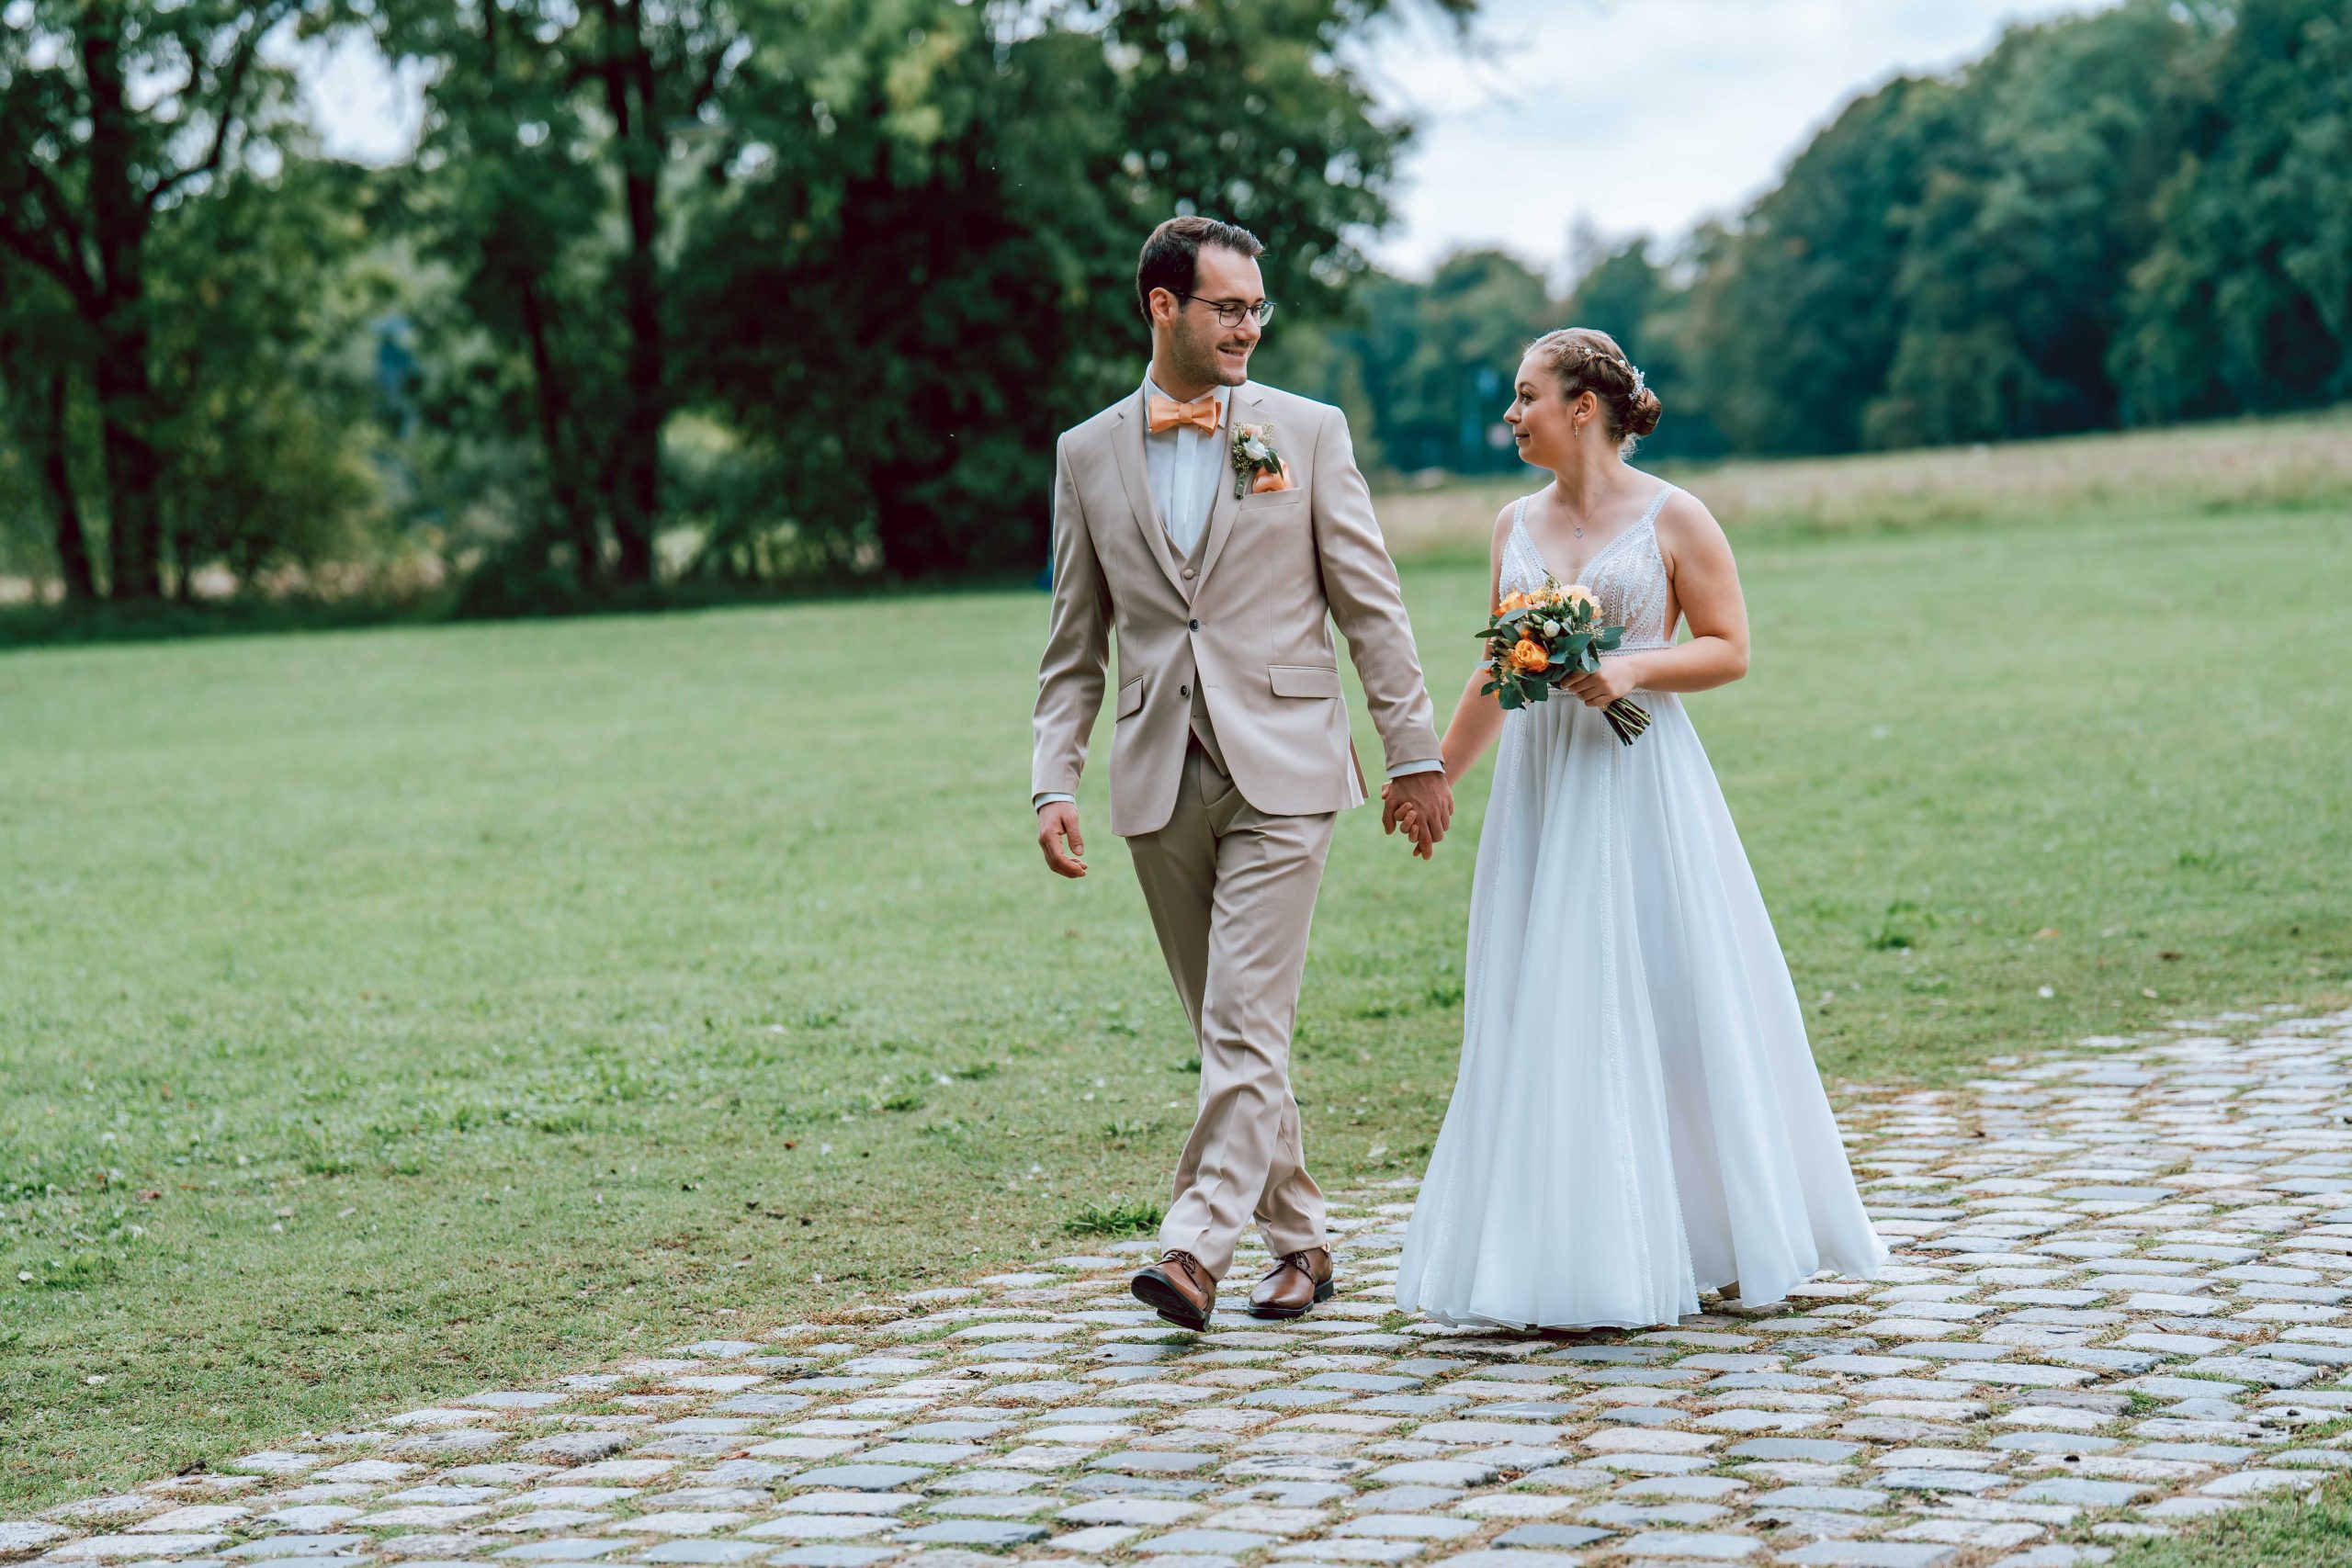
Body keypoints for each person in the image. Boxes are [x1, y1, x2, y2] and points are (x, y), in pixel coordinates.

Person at [1387, 328, 1886, 1329]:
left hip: (1636, 777)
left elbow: (1730, 648)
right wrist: (1434, 774)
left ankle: (1710, 1230)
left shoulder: (1675, 515)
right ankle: (1555, 1247)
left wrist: (1630, 668)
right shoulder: (1510, 523)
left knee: (1665, 987)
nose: (1510, 415)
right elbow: (1500, 665)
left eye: (1524, 397)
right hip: (1541, 785)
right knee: (1546, 993)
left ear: (1582, 406)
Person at [1029, 215, 1452, 1329]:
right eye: (1227, 307)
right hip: (1154, 778)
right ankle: (1303, 1242)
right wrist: (1052, 780)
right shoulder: (1085, 454)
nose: (1248, 326)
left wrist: (1413, 751)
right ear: (1161, 307)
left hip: (1290, 766)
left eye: (1257, 308)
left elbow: (1369, 600)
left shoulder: (1306, 433)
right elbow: (1075, 644)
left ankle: (1192, 1250)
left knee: (1246, 1025)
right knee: (1227, 1029)